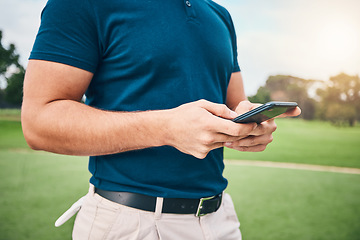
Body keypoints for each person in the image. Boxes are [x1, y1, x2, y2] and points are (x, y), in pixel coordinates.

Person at [21, 0, 301, 239]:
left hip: (220, 221)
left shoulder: (220, 16)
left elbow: (234, 106)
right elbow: (38, 122)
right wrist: (165, 128)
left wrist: (250, 126)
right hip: (130, 224)